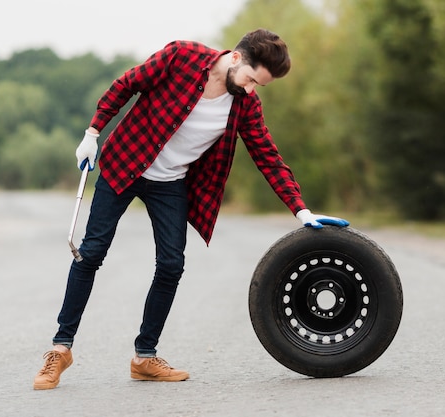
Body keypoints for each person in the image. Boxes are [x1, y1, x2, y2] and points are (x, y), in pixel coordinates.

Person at [33, 28, 349, 390]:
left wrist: (300, 210)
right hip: (125, 164)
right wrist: (92, 133)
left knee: (171, 265)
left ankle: (145, 357)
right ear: (235, 58)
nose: (251, 90)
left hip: (170, 183)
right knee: (91, 254)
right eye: (250, 79)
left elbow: (268, 157)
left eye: (259, 86)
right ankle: (60, 349)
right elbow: (126, 84)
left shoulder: (245, 104)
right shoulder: (180, 57)